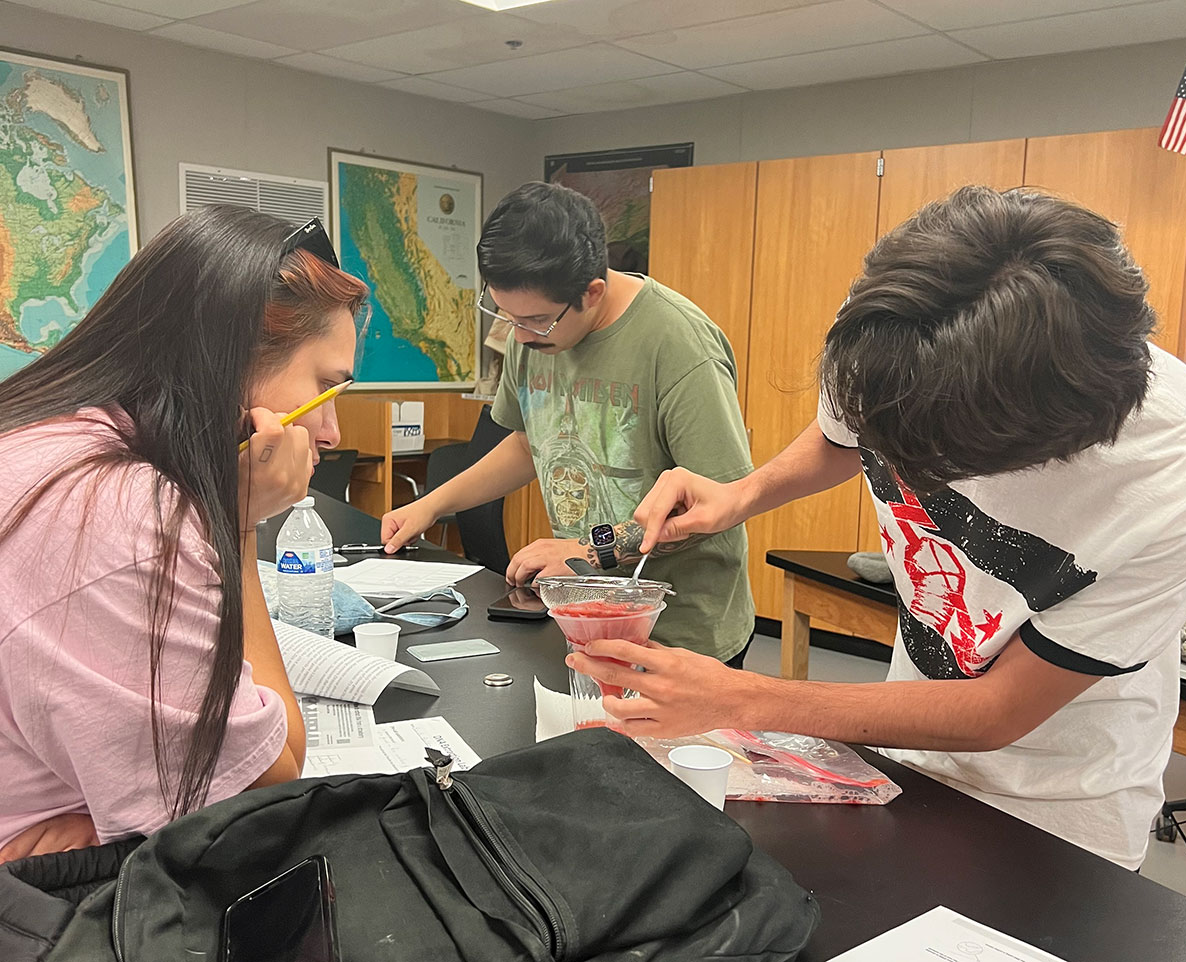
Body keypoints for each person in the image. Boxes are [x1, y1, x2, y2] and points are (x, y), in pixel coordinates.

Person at [568, 186, 1186, 870]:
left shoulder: (1174, 477)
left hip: (1056, 813)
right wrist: (739, 495)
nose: (890, 467)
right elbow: (845, 435)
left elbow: (1000, 710)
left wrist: (746, 699)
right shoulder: (896, 325)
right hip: (902, 761)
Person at [0, 207, 366, 861]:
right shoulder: (119, 517)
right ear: (229, 364)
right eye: (324, 388)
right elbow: (264, 786)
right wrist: (240, 519)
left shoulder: (57, 433)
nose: (333, 433)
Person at [380, 182, 756, 665]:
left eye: (535, 320)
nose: (518, 334)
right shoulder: (530, 327)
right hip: (581, 616)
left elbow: (723, 502)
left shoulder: (680, 346)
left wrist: (587, 553)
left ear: (592, 293)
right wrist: (430, 506)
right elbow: (525, 443)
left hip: (681, 633)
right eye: (504, 314)